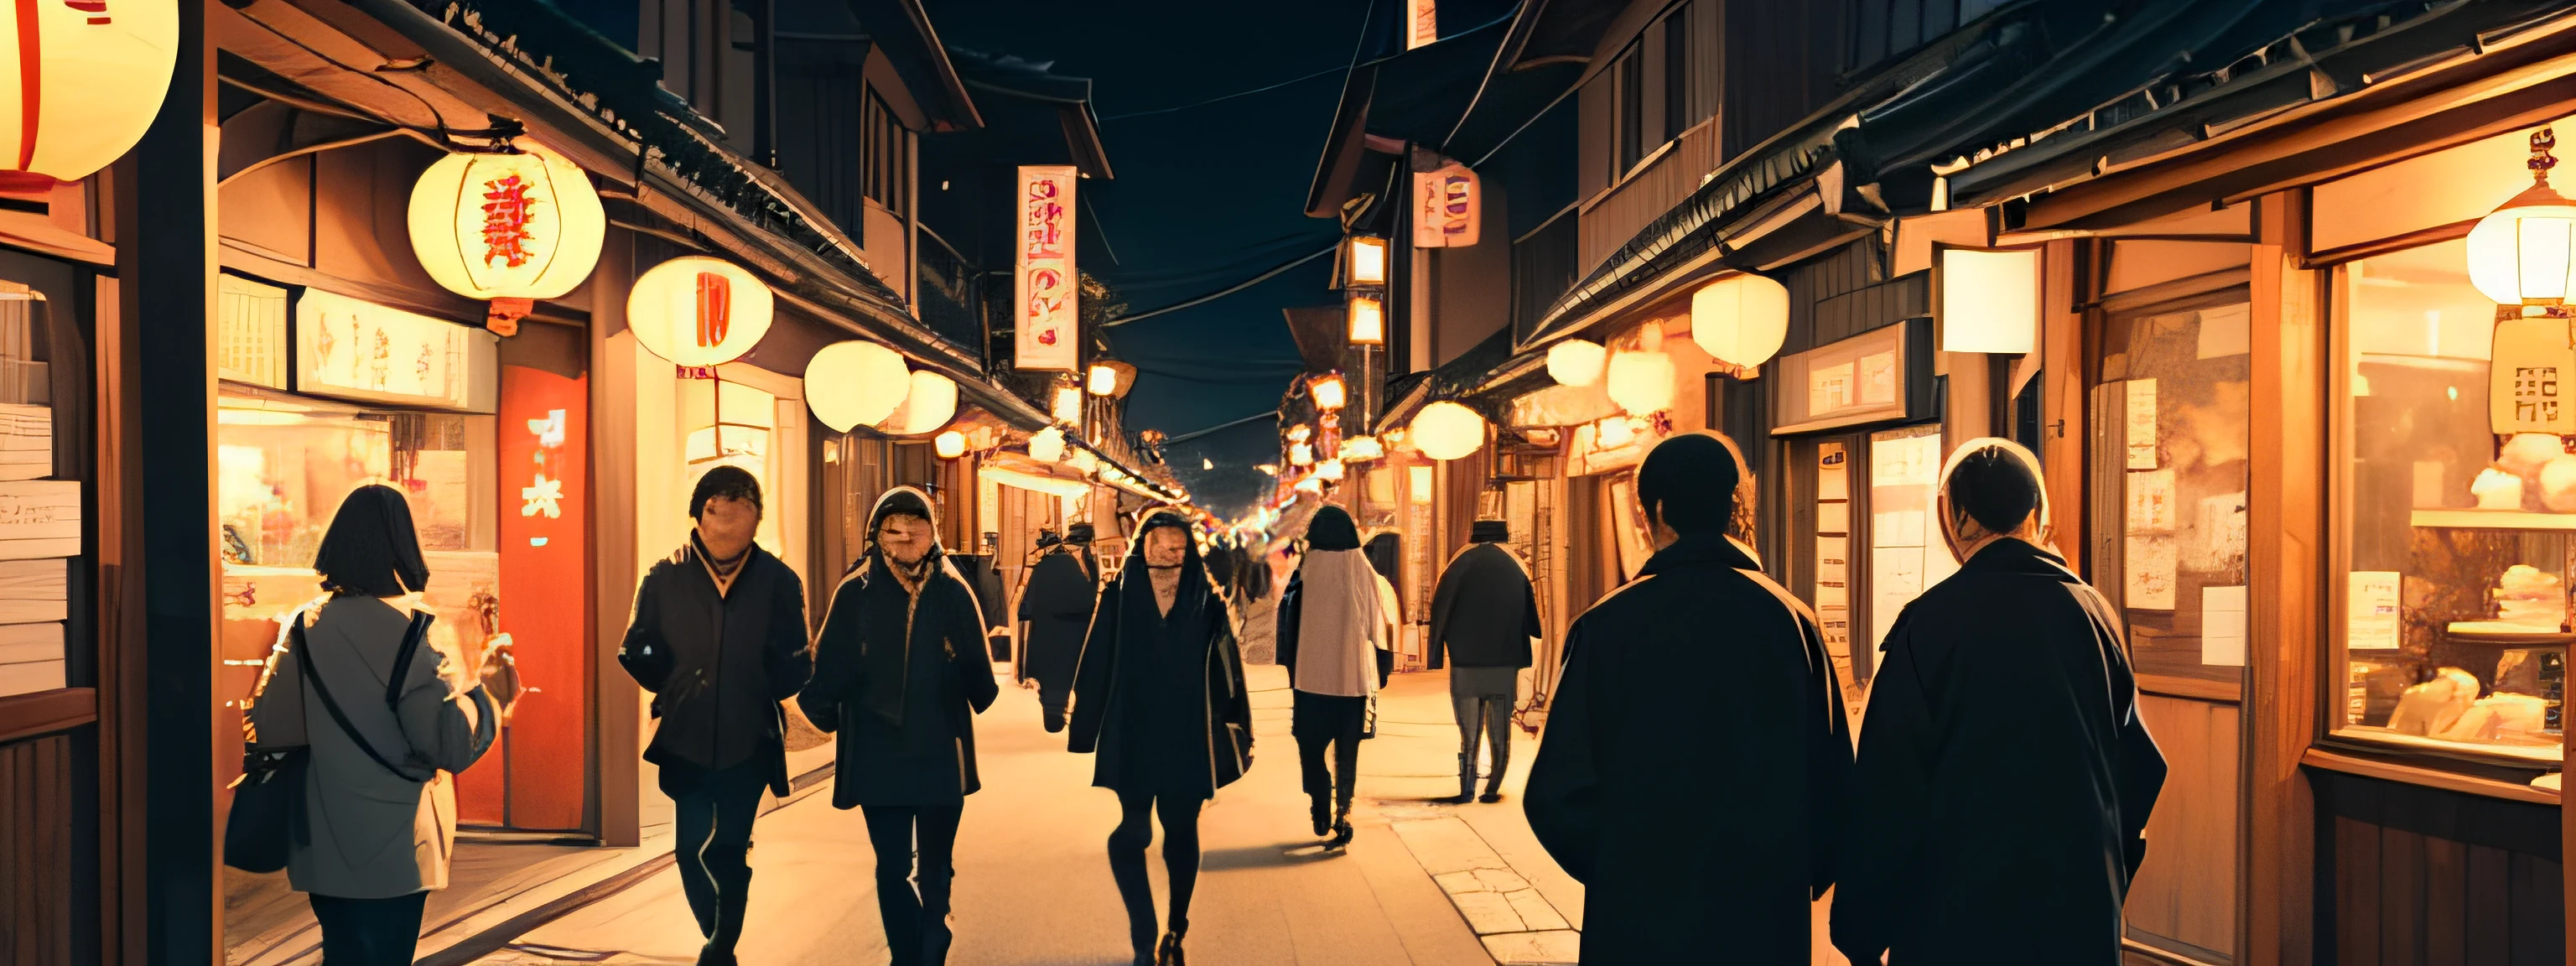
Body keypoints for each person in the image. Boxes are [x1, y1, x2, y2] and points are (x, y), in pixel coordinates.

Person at [1831, 439, 2168, 966]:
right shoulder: (2093, 613)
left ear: (1954, 518)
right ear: (2038, 512)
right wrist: (2104, 874)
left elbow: (1888, 788)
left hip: (1957, 917)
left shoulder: (1929, 623)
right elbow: (2139, 767)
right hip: (2076, 913)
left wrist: (1862, 929)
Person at [1523, 433, 1852, 963]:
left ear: (1654, 510)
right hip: (1763, 914)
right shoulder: (1792, 621)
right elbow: (1835, 781)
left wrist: (1619, 868)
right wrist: (1794, 869)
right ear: (1735, 507)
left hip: (1638, 918)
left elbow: (1554, 795)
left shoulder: (1605, 626)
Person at [246, 485, 499, 965]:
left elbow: (273, 726)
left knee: (342, 953)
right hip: (398, 847)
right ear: (402, 547)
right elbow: (448, 747)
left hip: (323, 842)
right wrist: (486, 697)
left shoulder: (303, 627)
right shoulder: (415, 637)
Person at [615, 466, 812, 966]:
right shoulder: (666, 575)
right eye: (717, 512)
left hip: (751, 737)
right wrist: (676, 683)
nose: (727, 525)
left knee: (727, 849)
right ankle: (719, 935)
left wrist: (763, 685)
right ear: (699, 515)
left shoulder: (778, 581)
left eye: (740, 512)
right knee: (689, 851)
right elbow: (634, 648)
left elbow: (797, 660)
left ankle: (721, 946)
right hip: (686, 735)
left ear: (755, 519)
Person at [799, 486, 1000, 966]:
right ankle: (906, 953)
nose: (906, 534)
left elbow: (980, 675)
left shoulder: (953, 591)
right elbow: (828, 665)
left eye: (917, 524)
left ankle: (933, 931)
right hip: (877, 749)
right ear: (876, 534)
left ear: (934, 533)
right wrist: (816, 713)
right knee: (891, 867)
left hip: (938, 747)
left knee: (935, 864)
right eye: (894, 526)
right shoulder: (855, 592)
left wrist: (964, 667)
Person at [1068, 510, 1254, 966]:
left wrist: (1238, 730)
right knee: (1132, 831)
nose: (1169, 554)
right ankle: (1142, 929)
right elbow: (1096, 662)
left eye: (1178, 545)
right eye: (1159, 545)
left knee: (1181, 828)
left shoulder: (1206, 600)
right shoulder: (1120, 594)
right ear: (1143, 546)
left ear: (1189, 549)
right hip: (1132, 730)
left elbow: (1230, 671)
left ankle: (1176, 927)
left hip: (1190, 734)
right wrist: (1083, 728)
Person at [1275, 506, 1388, 848]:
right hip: (1350, 682)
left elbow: (1285, 623)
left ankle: (1320, 802)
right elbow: (1378, 624)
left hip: (1310, 683)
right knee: (1347, 753)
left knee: (1310, 749)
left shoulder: (1303, 568)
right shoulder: (1362, 567)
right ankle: (1344, 813)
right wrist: (1381, 672)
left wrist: (1289, 667)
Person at [1427, 520, 1540, 804]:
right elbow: (1532, 621)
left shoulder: (1458, 567)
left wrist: (1436, 655)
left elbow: (1439, 611)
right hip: (1504, 665)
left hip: (1466, 665)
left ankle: (1467, 786)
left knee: (1469, 732)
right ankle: (1492, 788)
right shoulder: (1515, 569)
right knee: (1500, 731)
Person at [1017, 522, 1098, 733]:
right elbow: (1089, 597)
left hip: (1047, 632)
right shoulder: (1076, 566)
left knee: (1054, 677)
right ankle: (1059, 711)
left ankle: (1055, 714)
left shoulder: (1043, 568)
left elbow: (1025, 607)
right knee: (1065, 676)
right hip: (1072, 634)